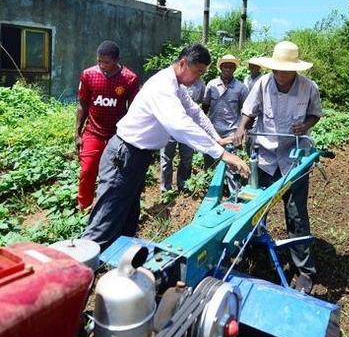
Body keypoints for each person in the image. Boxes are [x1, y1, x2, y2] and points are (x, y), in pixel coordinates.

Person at [82, 44, 249, 251]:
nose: (199, 78)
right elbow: (179, 124)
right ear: (182, 64)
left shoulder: (177, 87)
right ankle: (79, 272)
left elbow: (195, 113)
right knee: (104, 223)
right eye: (197, 72)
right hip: (123, 155)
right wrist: (221, 154)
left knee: (127, 220)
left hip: (137, 157)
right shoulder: (162, 86)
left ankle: (116, 269)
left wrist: (216, 139)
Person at [235, 41, 322, 294]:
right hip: (265, 156)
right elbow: (248, 112)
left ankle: (304, 270)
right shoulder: (262, 84)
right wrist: (241, 128)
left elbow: (315, 114)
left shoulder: (308, 88)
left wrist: (305, 126)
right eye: (276, 70)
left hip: (294, 157)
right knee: (253, 206)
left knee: (296, 213)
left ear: (295, 70)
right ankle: (249, 251)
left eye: (285, 71)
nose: (280, 76)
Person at [76, 40, 139, 210]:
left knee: (113, 174)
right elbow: (82, 104)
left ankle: (109, 206)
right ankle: (84, 205)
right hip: (93, 132)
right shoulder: (88, 75)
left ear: (117, 60)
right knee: (87, 170)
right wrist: (77, 134)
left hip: (117, 135)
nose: (102, 65)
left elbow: (133, 110)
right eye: (99, 61)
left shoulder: (129, 79)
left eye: (107, 62)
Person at [202, 54, 249, 173]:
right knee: (210, 164)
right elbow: (205, 106)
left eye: (231, 67)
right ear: (220, 68)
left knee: (233, 166)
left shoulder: (241, 88)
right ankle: (212, 187)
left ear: (234, 69)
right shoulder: (212, 85)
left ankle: (231, 190)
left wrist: (242, 131)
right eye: (225, 66)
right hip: (213, 131)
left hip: (232, 134)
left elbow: (246, 110)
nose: (228, 69)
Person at [159, 78, 205, 192]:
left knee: (187, 158)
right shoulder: (172, 81)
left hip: (188, 128)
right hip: (169, 127)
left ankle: (183, 186)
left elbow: (200, 105)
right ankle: (166, 189)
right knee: (166, 158)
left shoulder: (201, 84)